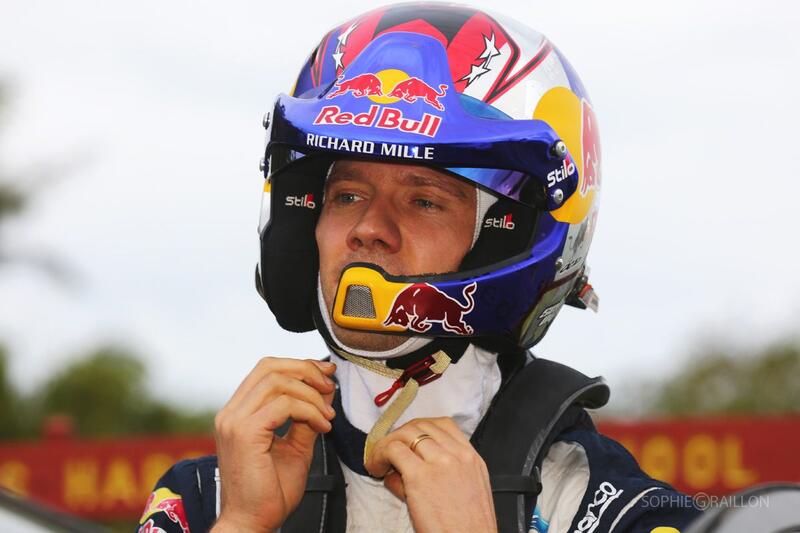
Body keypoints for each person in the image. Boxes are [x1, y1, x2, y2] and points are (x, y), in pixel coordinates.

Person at [137, 4, 703, 532]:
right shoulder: (206, 498)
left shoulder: (610, 507)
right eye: (347, 195)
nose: (369, 228)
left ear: (506, 237)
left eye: (423, 200)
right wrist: (243, 522)